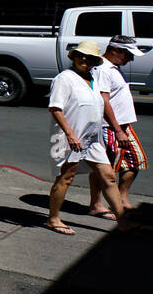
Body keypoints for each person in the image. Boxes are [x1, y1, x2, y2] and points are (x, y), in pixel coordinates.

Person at [45, 40, 127, 235]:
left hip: (92, 138)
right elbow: (55, 108)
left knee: (108, 177)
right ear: (73, 57)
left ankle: (124, 223)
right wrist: (70, 134)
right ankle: (53, 219)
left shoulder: (93, 79)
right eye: (81, 55)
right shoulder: (65, 78)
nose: (84, 59)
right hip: (71, 137)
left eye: (89, 57)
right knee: (66, 177)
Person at [88, 35, 149, 220]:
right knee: (104, 169)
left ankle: (121, 197)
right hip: (110, 127)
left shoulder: (114, 68)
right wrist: (117, 130)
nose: (130, 59)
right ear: (114, 50)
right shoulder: (102, 69)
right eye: (128, 54)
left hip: (122, 125)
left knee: (134, 161)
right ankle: (96, 204)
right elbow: (104, 101)